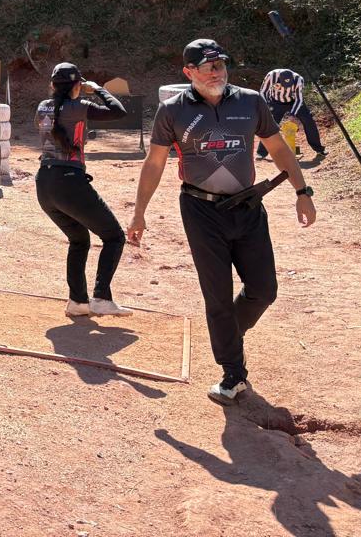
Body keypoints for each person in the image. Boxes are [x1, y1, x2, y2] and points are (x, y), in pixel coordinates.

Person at [130, 39, 318, 404]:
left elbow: (278, 148)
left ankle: (229, 334)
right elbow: (154, 163)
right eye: (208, 67)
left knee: (264, 290)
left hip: (248, 207)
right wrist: (139, 211)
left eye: (221, 65)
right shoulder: (172, 110)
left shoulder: (251, 101)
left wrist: (302, 191)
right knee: (216, 295)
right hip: (200, 211)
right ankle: (233, 373)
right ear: (189, 72)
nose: (217, 72)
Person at [34, 63, 133, 319]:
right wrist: (98, 88)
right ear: (78, 85)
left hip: (44, 183)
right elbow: (118, 111)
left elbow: (57, 116)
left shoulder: (42, 106)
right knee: (114, 237)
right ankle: (101, 298)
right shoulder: (79, 107)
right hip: (69, 182)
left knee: (79, 240)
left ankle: (78, 301)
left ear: (52, 85)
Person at [257, 68, 326, 160]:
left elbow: (299, 99)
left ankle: (319, 149)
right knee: (269, 125)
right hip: (275, 102)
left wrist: (292, 115)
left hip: (294, 101)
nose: (286, 88)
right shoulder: (271, 75)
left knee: (309, 122)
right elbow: (263, 92)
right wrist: (266, 107)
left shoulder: (299, 80)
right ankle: (261, 153)